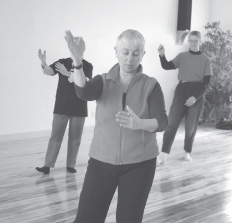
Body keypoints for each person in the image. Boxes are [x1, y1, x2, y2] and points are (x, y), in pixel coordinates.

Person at [65, 29, 168, 223]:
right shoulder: (103, 81)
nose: (130, 58)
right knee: (87, 218)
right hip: (101, 162)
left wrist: (140, 124)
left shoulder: (151, 85)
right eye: (125, 52)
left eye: (136, 53)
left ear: (143, 54)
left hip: (140, 165)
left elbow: (162, 121)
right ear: (116, 51)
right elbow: (83, 92)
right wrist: (77, 62)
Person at [36, 37, 93, 174]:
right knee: (55, 136)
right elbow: (48, 71)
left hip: (79, 107)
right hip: (62, 105)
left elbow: (84, 83)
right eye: (73, 46)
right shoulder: (62, 62)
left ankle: (70, 165)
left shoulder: (87, 66)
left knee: (75, 138)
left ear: (83, 49)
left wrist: (67, 73)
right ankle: (47, 165)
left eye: (78, 46)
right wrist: (44, 62)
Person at [157, 30, 212, 163]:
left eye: (196, 41)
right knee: (172, 123)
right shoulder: (182, 56)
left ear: (200, 42)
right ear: (188, 42)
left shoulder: (205, 59)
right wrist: (162, 55)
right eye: (191, 40)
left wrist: (195, 97)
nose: (193, 43)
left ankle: (187, 152)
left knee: (190, 126)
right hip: (182, 89)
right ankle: (164, 153)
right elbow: (167, 66)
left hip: (197, 92)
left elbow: (206, 82)